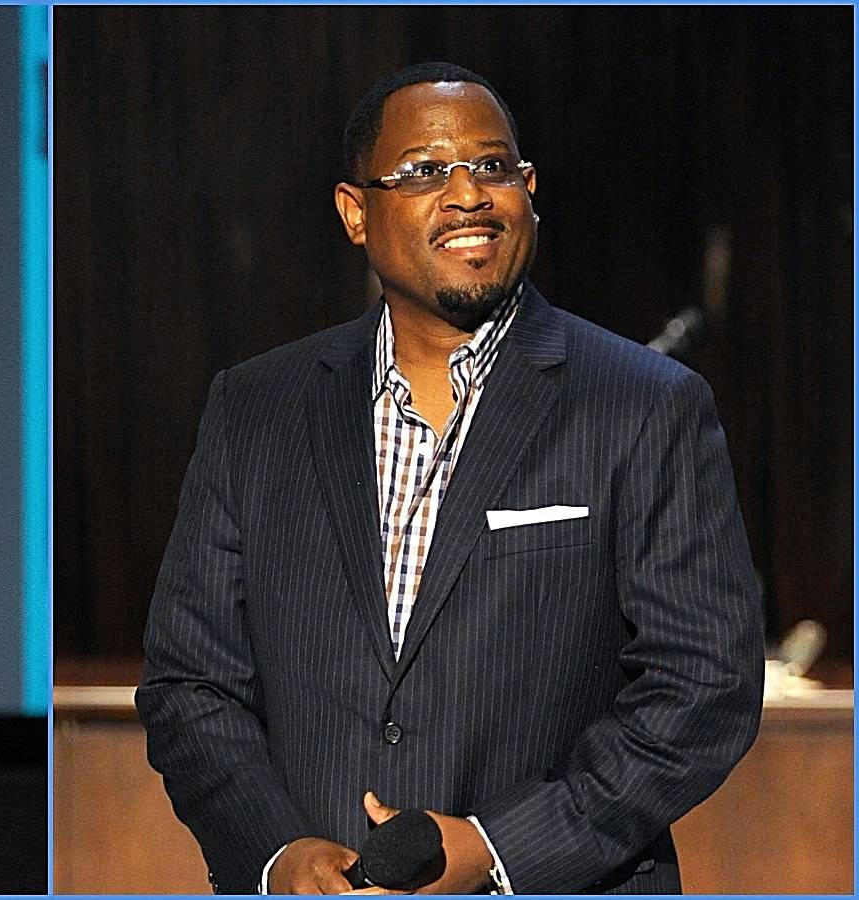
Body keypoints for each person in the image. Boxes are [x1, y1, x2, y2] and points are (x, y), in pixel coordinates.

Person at [136, 61, 763, 895]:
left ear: (529, 190)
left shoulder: (645, 404)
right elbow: (190, 683)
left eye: (494, 166)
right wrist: (277, 851)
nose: (468, 193)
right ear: (355, 213)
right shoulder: (256, 408)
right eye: (426, 170)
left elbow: (705, 684)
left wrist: (499, 849)